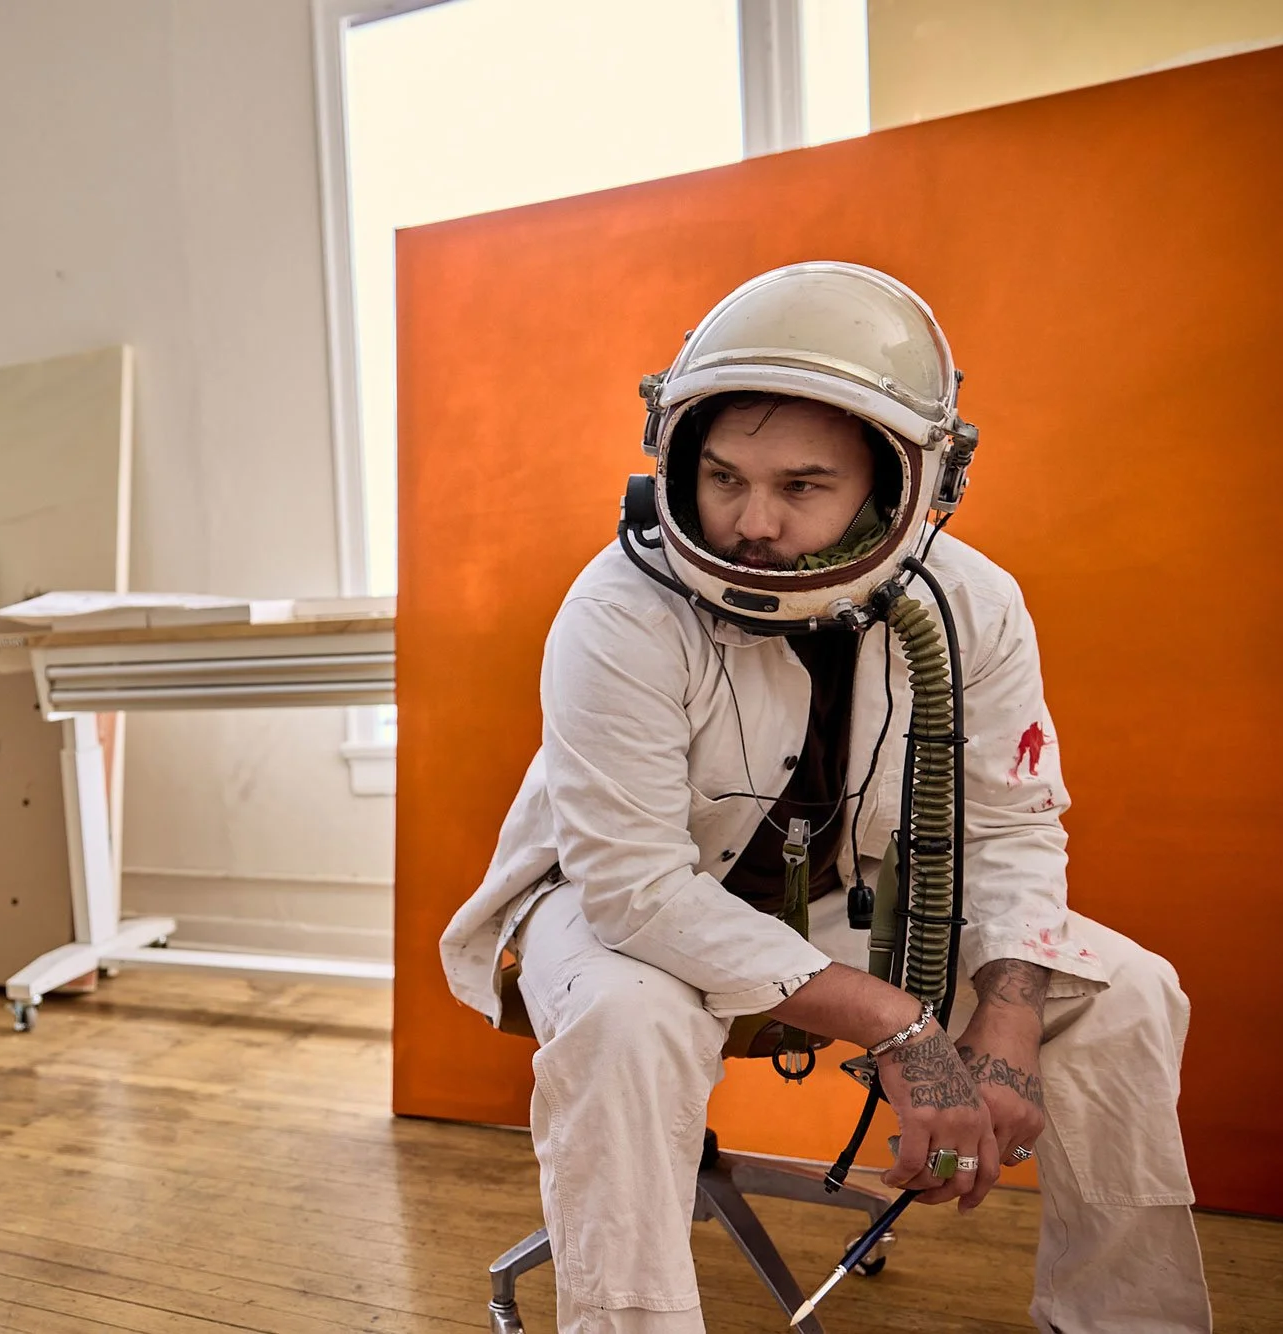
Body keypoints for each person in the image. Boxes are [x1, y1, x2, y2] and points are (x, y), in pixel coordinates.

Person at [440, 263, 1209, 1332]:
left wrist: (1008, 1013)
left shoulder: (974, 604)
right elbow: (632, 889)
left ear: (900, 488)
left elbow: (1013, 823)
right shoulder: (617, 606)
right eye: (720, 477)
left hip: (839, 912)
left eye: (800, 486)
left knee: (1129, 988)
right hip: (612, 909)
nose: (750, 521)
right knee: (626, 1019)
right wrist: (903, 1029)